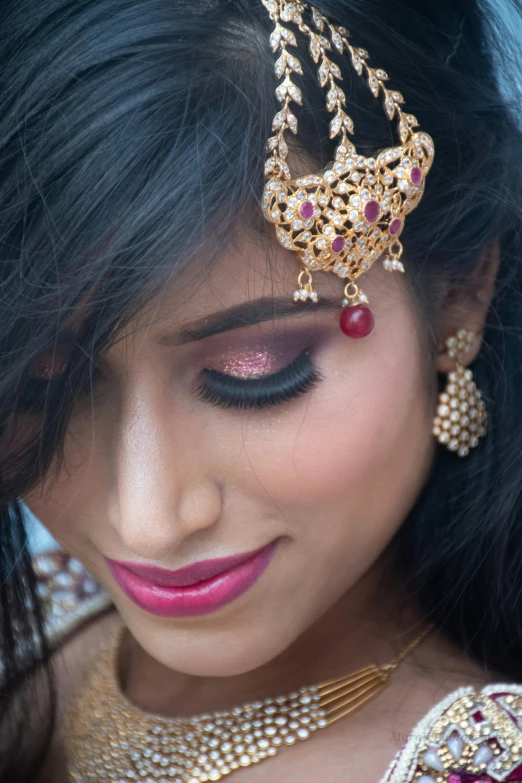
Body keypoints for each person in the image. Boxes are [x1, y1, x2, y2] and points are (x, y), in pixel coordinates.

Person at [1, 0, 522, 781]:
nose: (148, 522)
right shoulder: (43, 635)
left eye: (256, 372)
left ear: (461, 295)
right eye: (40, 387)